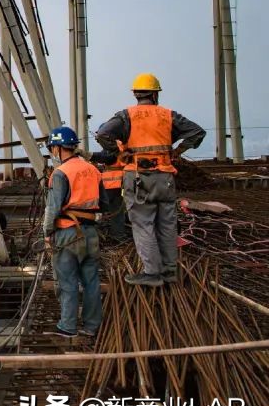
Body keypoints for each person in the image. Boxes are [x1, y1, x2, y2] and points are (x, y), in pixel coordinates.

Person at [95, 73, 206, 286]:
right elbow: (197, 132)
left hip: (138, 178)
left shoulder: (125, 116)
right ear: (155, 94)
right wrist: (179, 150)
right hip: (164, 177)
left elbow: (102, 134)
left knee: (143, 224)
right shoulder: (168, 115)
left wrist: (120, 153)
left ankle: (152, 274)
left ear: (136, 94)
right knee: (167, 224)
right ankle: (170, 272)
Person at [43, 126, 103, 338]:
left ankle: (67, 326)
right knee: (91, 282)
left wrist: (47, 233)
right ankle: (91, 326)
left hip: (68, 232)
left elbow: (53, 207)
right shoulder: (93, 169)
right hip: (91, 233)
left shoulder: (61, 173)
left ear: (58, 148)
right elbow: (103, 202)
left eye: (52, 148)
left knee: (67, 282)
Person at [89, 149, 129, 242]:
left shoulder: (114, 148)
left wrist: (91, 155)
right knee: (116, 213)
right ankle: (118, 235)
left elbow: (106, 157)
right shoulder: (121, 147)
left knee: (108, 212)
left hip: (113, 186)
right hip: (116, 185)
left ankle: (116, 236)